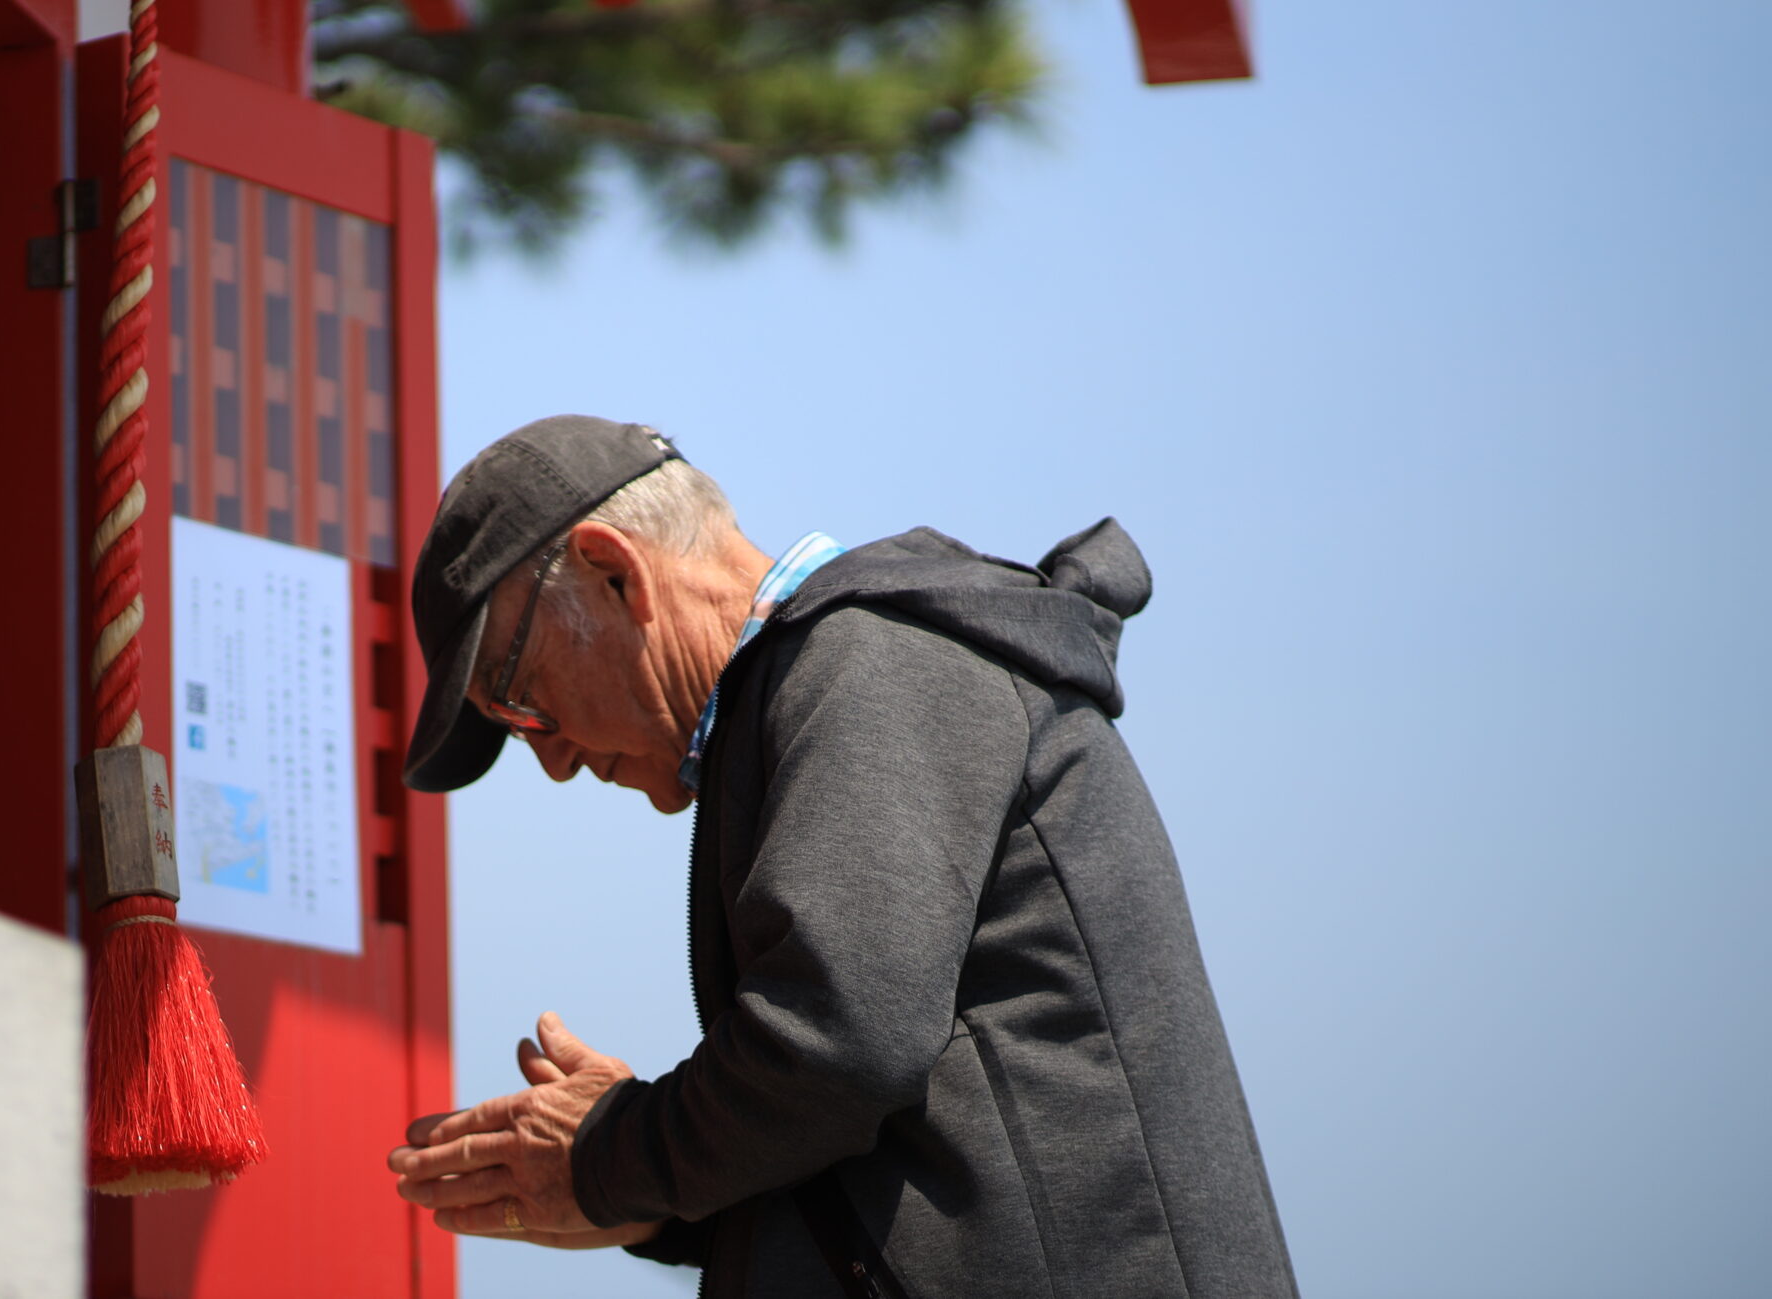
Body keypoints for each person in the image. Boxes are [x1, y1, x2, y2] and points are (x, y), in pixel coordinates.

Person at [385, 415, 1296, 1298]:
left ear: (613, 572)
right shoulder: (819, 687)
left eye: (521, 698)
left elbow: (838, 1050)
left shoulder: (869, 664)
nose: (552, 760)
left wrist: (616, 1154)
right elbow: (880, 1137)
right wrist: (662, 1203)